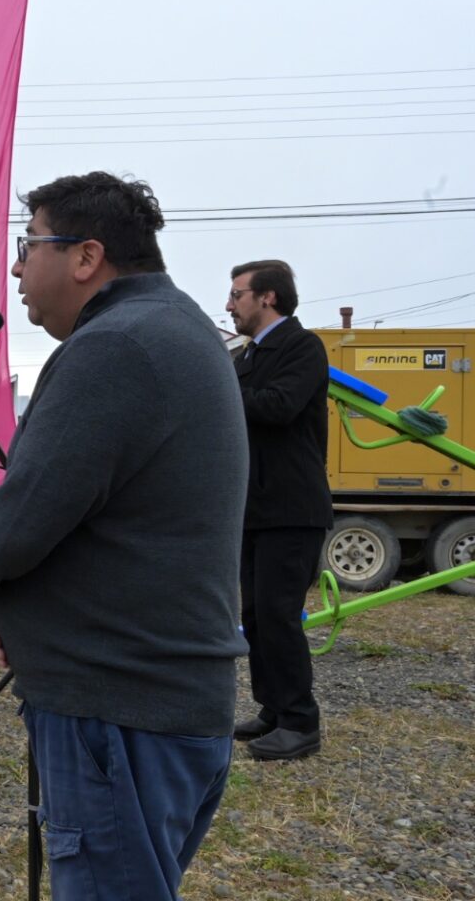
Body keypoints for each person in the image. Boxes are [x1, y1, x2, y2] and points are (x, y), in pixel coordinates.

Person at [0, 172, 247, 900]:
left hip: (119, 712)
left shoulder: (114, 346)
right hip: (158, 701)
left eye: (28, 245)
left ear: (85, 256)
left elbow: (25, 513)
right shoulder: (176, 329)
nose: (17, 267)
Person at [226, 260, 331, 762]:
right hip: (254, 508)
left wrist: (222, 390)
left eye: (237, 294)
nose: (229, 305)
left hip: (292, 509)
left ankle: (299, 722)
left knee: (279, 615)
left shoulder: (302, 347)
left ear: (267, 297)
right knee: (255, 616)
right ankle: (272, 708)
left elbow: (279, 405)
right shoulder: (246, 357)